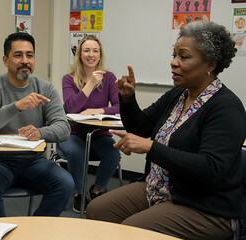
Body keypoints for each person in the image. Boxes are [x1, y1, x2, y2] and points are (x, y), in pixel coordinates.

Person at [86, 21, 246, 240]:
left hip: (205, 205)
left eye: (184, 57)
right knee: (97, 210)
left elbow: (210, 168)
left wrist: (152, 148)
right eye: (174, 55)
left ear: (210, 63)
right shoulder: (177, 96)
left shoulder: (226, 107)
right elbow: (141, 127)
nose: (173, 63)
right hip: (161, 188)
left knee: (132, 230)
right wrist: (128, 99)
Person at [0, 32, 74, 218]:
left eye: (30, 55)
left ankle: (34, 231)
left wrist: (40, 132)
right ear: (5, 60)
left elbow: (63, 128)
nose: (25, 60)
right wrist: (17, 106)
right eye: (18, 55)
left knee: (65, 183)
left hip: (34, 161)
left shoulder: (46, 88)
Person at [57, 35, 120, 213]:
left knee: (114, 153)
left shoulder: (109, 78)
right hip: (73, 133)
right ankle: (78, 193)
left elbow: (119, 107)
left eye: (95, 51)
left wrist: (99, 110)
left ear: (100, 55)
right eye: (86, 50)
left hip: (99, 134)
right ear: (79, 55)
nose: (91, 54)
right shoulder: (69, 79)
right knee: (77, 152)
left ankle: (97, 189)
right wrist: (91, 83)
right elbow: (71, 108)